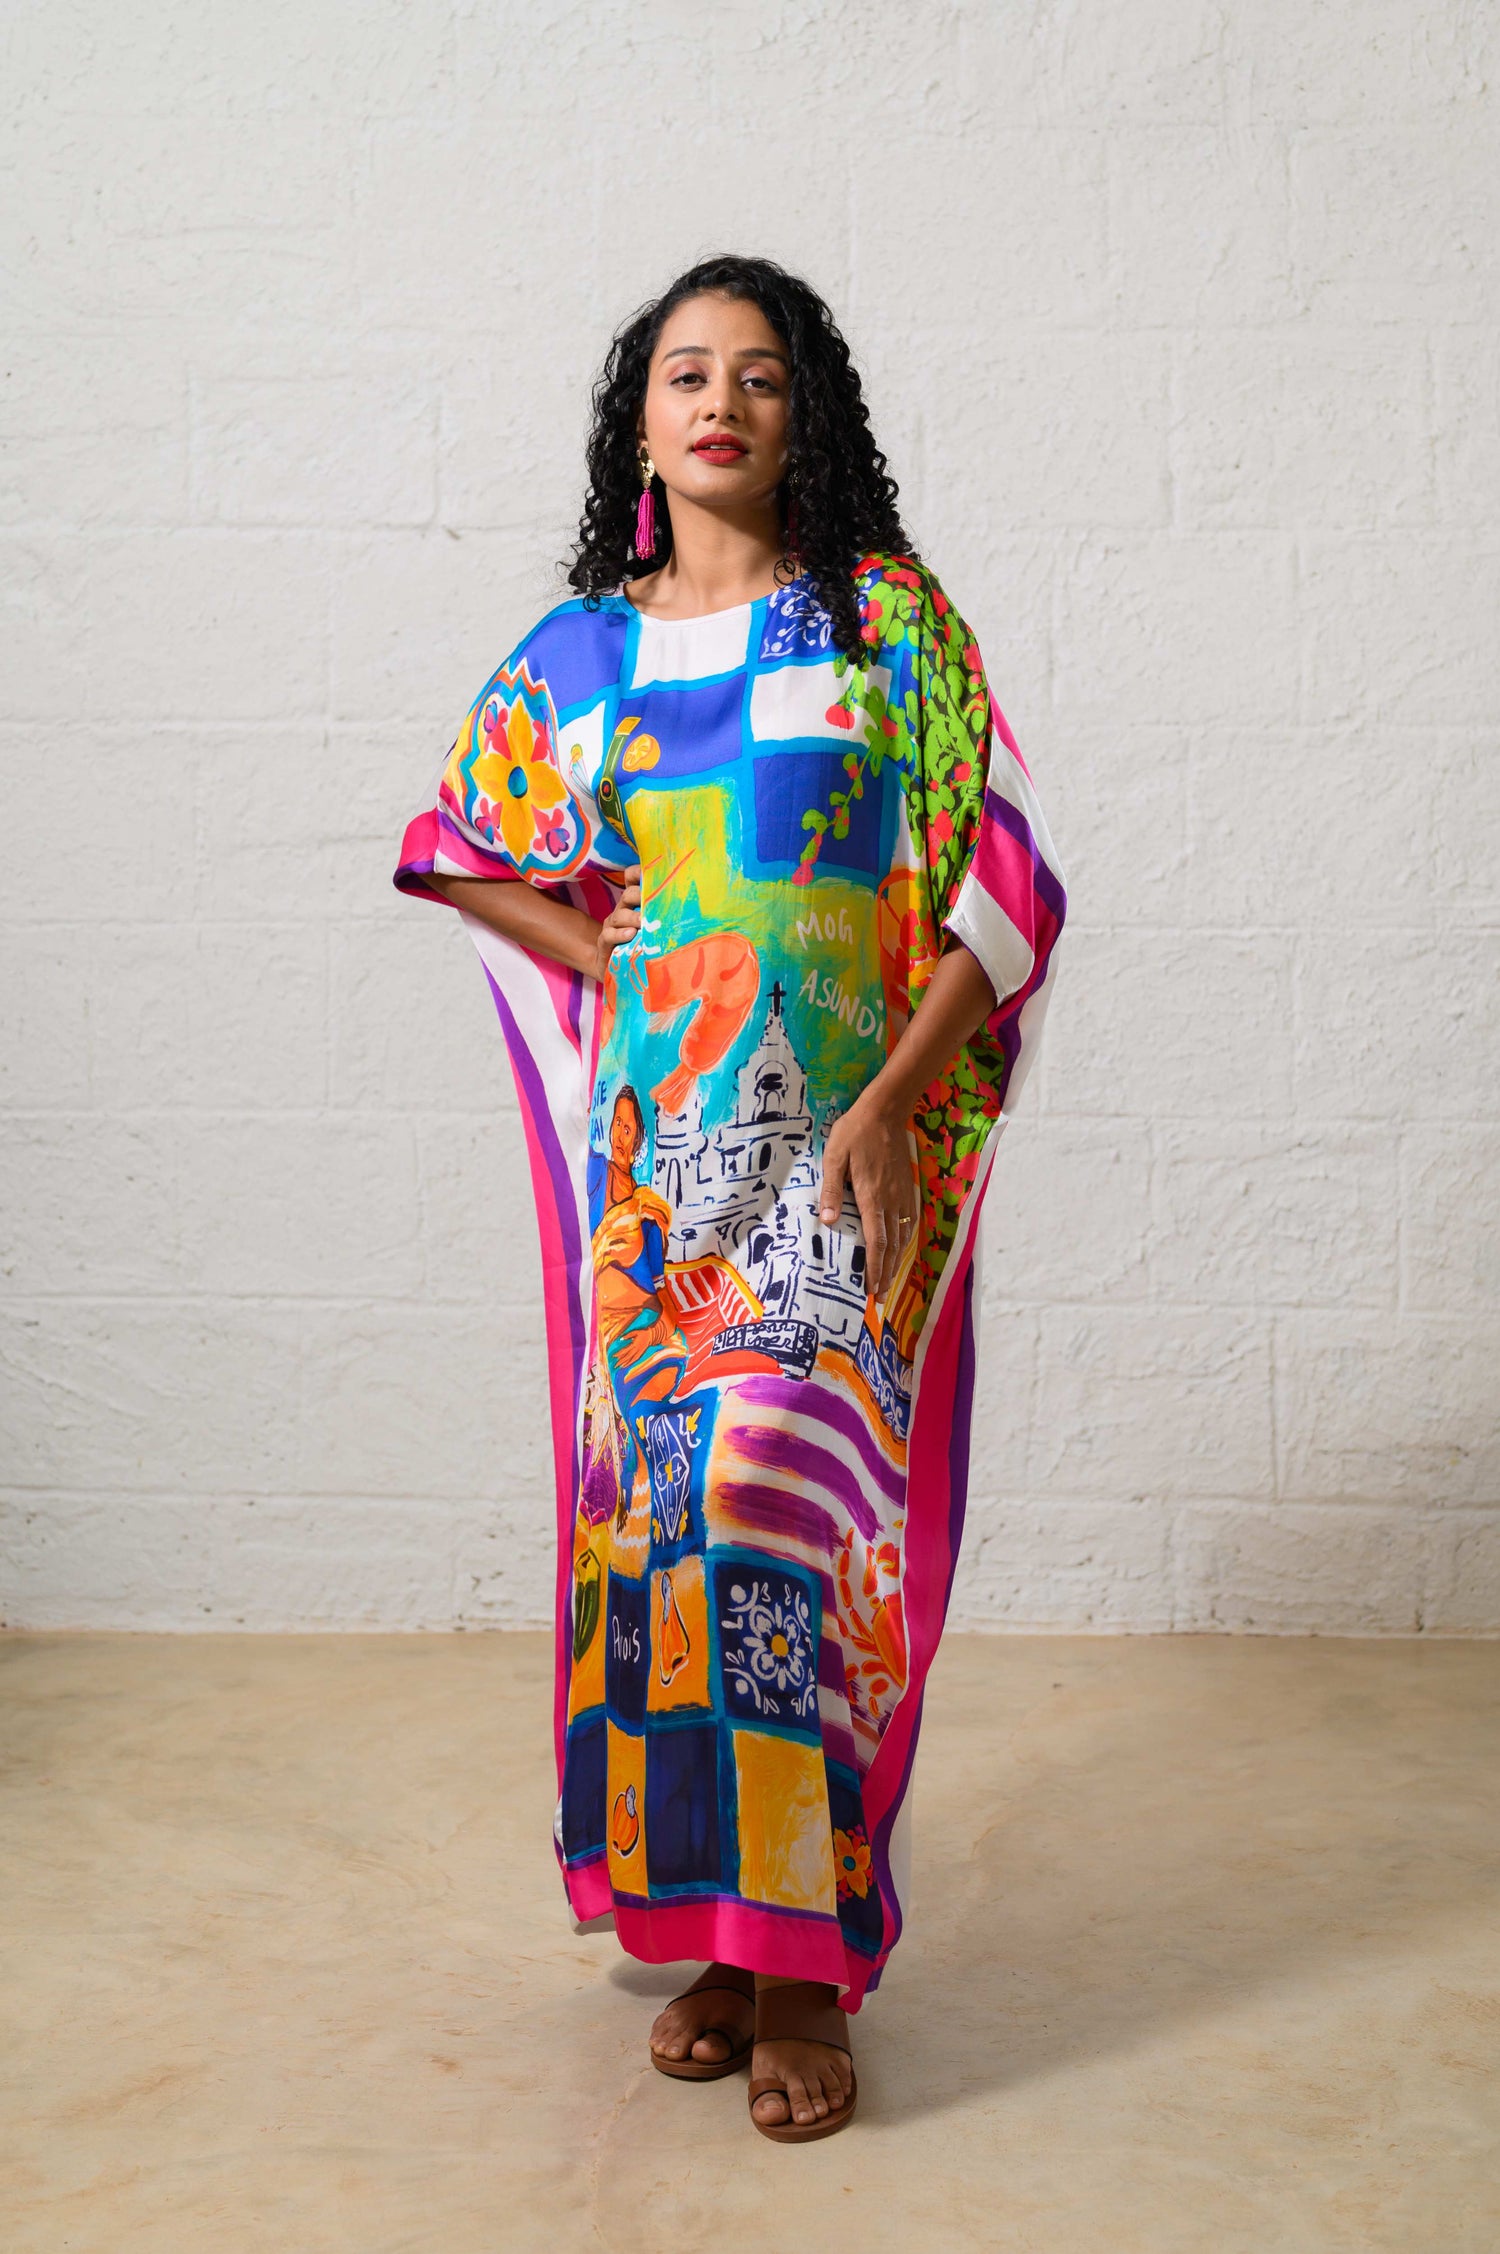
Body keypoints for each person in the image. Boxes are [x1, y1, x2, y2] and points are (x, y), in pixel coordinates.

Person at [394, 252, 1066, 2142]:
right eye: (686, 372)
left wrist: (892, 1107)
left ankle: (807, 1967)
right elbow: (457, 841)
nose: (721, 402)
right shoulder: (580, 659)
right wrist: (601, 961)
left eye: (760, 375)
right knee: (668, 1549)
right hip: (660, 1178)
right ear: (640, 423)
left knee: (784, 1509)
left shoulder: (886, 628)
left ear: (803, 417)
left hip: (837, 1164)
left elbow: (1009, 886)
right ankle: (717, 1934)